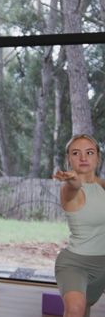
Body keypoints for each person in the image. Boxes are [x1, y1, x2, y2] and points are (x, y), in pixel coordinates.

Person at [52, 134, 105, 317]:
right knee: (76, 310)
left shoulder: (102, 186)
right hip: (75, 265)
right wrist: (72, 181)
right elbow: (74, 185)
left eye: (89, 152)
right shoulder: (69, 189)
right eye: (76, 153)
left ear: (98, 157)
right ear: (69, 159)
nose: (83, 158)